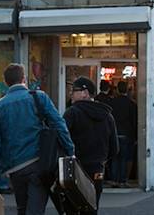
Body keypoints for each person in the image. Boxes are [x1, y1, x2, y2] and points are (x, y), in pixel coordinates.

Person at [0, 63, 75, 215]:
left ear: (6, 82)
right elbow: (59, 125)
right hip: (38, 163)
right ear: (24, 79)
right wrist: (70, 150)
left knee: (22, 208)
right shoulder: (38, 97)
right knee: (35, 210)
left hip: (14, 168)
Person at [63, 76, 118, 213]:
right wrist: (102, 160)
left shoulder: (72, 113)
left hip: (74, 169)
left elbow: (62, 140)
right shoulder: (107, 116)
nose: (71, 94)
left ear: (84, 93)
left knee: (72, 207)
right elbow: (115, 148)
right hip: (97, 170)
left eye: (73, 90)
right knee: (92, 207)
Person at [109, 80, 138, 187]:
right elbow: (134, 121)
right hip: (127, 134)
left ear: (117, 89)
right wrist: (135, 136)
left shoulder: (112, 103)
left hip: (115, 133)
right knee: (125, 158)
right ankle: (123, 180)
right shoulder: (132, 104)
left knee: (115, 158)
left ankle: (114, 179)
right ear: (127, 90)